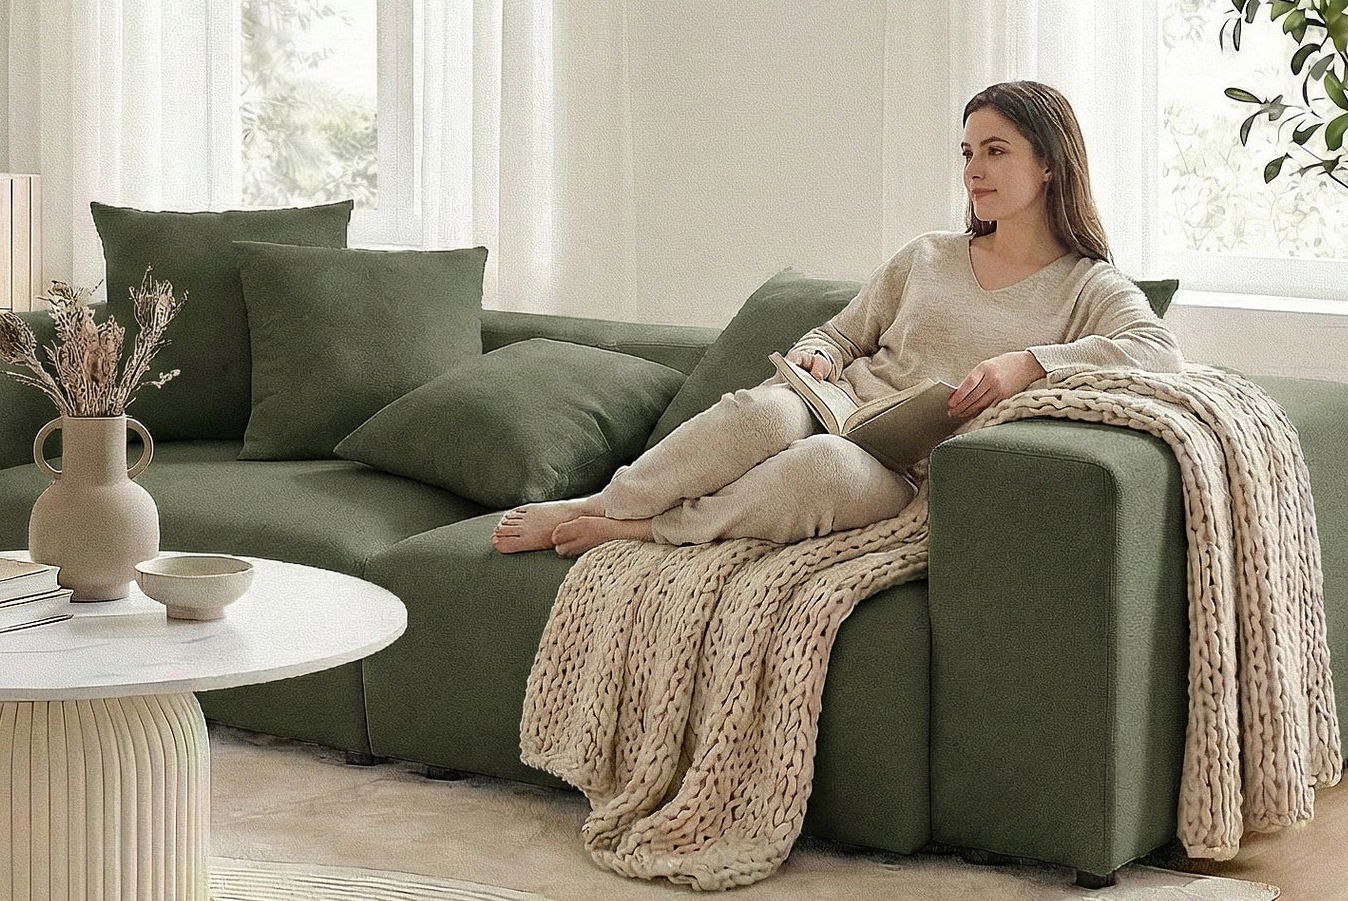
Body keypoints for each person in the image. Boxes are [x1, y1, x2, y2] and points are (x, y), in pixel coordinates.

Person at [492, 79, 1184, 557]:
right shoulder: (930, 256)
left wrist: (1026, 364)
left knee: (818, 470)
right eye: (967, 152)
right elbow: (839, 333)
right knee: (760, 413)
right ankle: (605, 505)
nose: (974, 169)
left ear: (1051, 165)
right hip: (840, 406)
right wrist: (820, 357)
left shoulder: (1087, 285)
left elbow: (1158, 354)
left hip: (908, 470)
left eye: (996, 151)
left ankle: (649, 531)